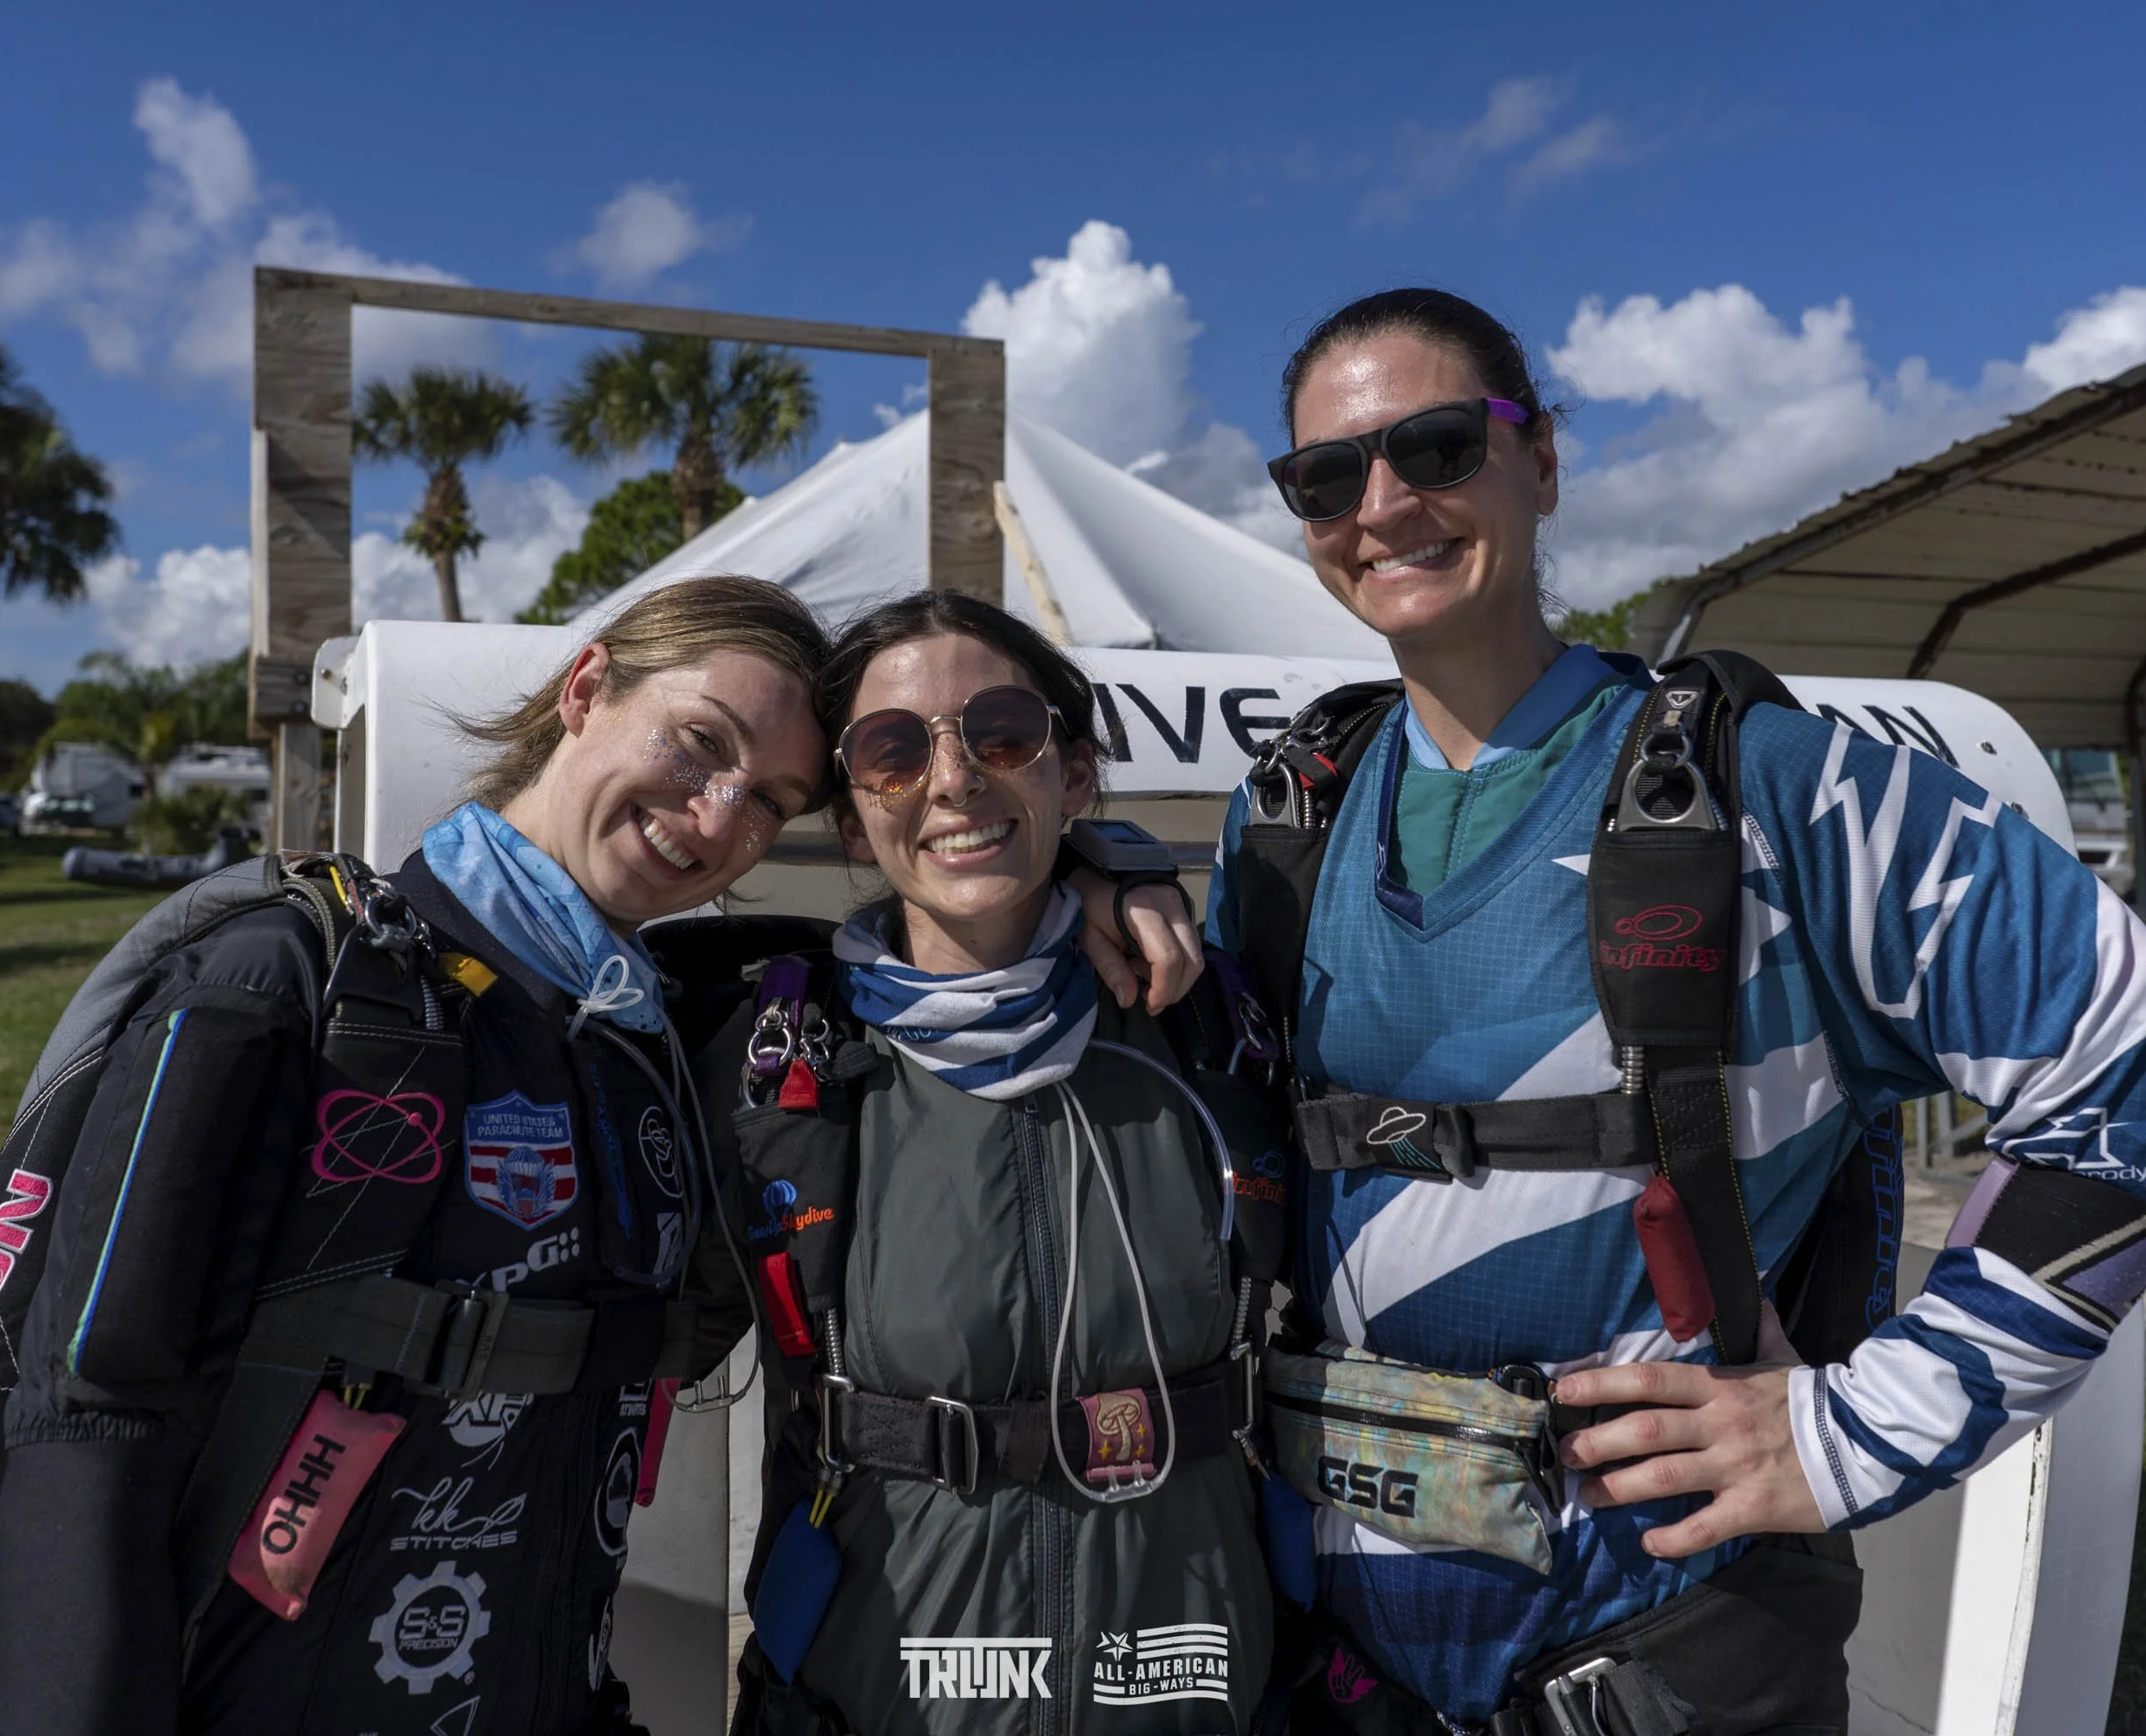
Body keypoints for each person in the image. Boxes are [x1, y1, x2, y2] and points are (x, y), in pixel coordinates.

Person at [1205, 288, 2146, 1733]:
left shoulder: (1768, 785)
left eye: (1440, 446)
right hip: (1346, 1668)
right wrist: (1088, 871)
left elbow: (2123, 1058)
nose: (1383, 503)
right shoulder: (1286, 823)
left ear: (1544, 463)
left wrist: (1851, 1436)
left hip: (1674, 1658)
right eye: (1328, 477)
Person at [0, 575, 831, 1735]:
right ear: (587, 690)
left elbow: (917, 962)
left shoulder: (652, 1039)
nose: (721, 815)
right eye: (699, 743)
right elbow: (89, 1421)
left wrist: (1100, 873)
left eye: (774, 800)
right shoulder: (295, 985)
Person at [708, 591, 1278, 1736]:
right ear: (855, 814)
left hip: (1192, 1689)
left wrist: (1123, 867)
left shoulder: (1217, 1028)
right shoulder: (770, 1064)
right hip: (882, 1697)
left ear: (1075, 774)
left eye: (1003, 734)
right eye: (892, 749)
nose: (956, 779)